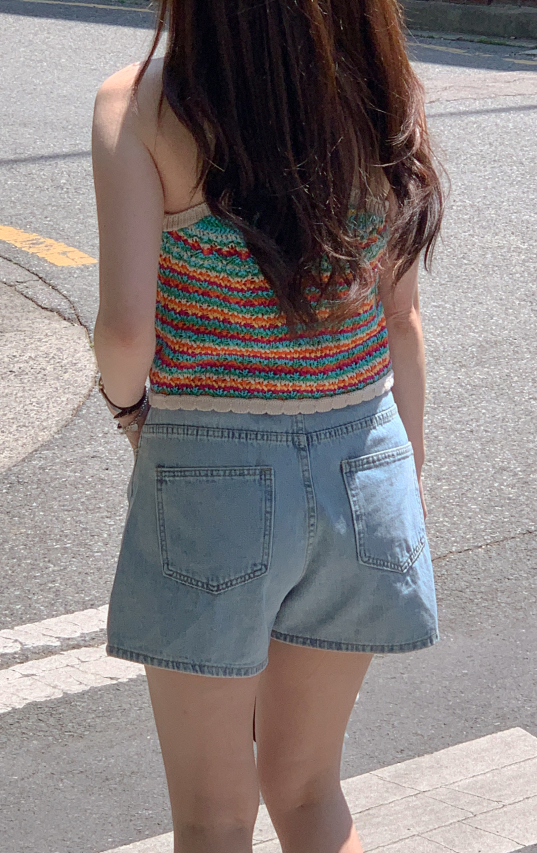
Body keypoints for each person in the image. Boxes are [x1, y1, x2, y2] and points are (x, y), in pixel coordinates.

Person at [91, 1, 443, 850]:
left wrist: (133, 414)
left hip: (212, 477)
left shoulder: (140, 105)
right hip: (365, 462)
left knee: (213, 818)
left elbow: (127, 336)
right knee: (310, 788)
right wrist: (405, 473)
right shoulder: (380, 94)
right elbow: (401, 319)